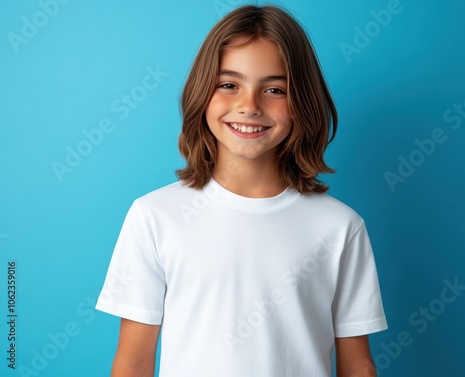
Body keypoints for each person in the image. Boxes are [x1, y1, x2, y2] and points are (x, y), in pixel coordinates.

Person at [96, 5, 387, 377]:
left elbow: (358, 365)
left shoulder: (340, 226)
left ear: (303, 102)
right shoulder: (154, 216)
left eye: (275, 89)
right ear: (203, 92)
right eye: (229, 84)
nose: (249, 106)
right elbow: (133, 363)